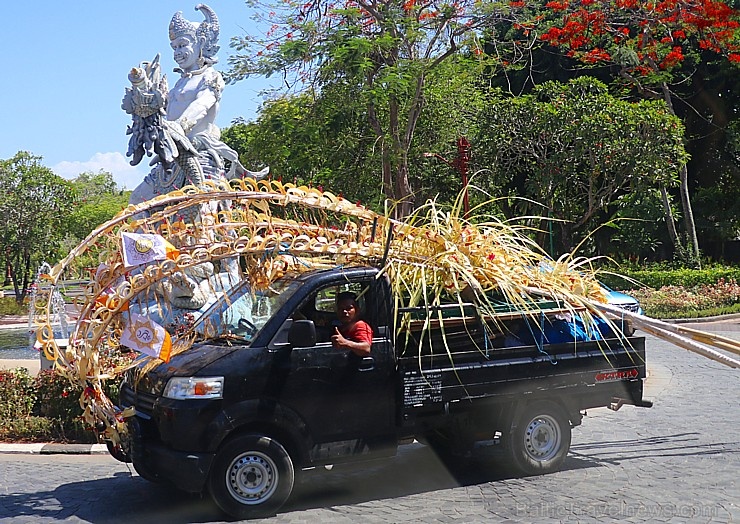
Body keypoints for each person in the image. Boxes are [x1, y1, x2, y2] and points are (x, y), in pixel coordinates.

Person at [331, 292, 373, 357]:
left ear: (357, 310)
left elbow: (366, 349)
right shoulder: (343, 327)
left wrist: (345, 343)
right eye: (341, 309)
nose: (344, 311)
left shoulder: (360, 326)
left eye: (349, 308)